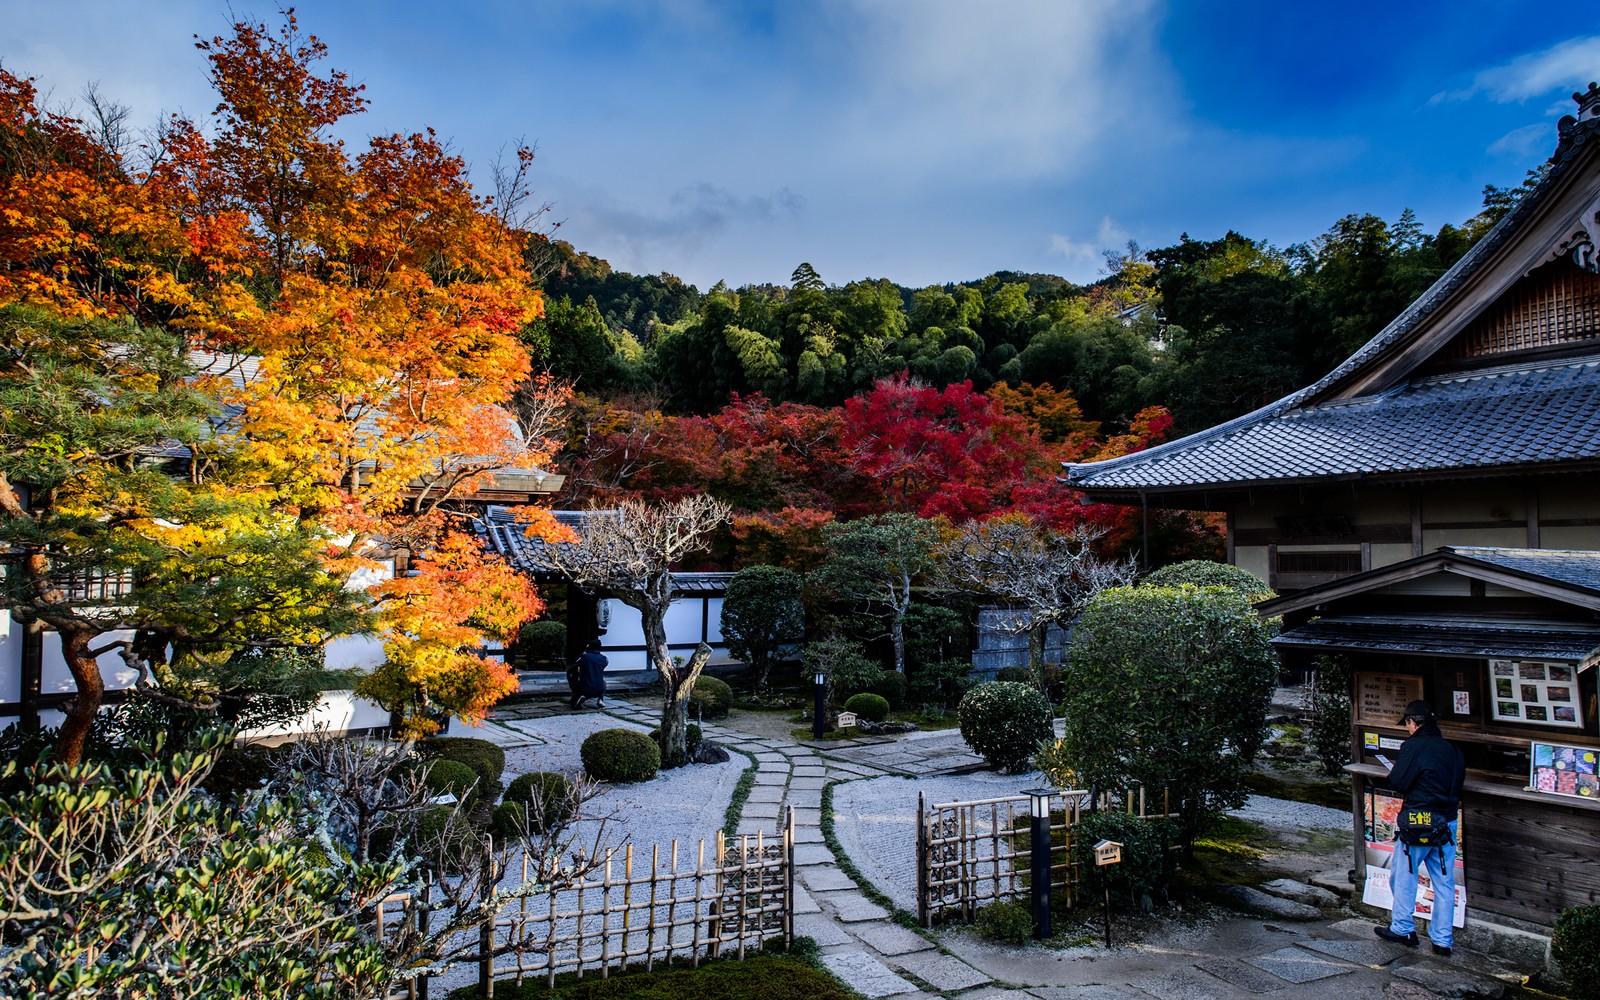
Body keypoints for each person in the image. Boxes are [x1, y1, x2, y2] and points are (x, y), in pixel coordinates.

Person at [1375, 699, 1465, 957]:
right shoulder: (1453, 749)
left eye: (1407, 724)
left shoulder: (1413, 746)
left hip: (1419, 821)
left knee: (1405, 875)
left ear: (1413, 723)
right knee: (1444, 881)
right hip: (1446, 820)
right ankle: (1442, 940)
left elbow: (1399, 782)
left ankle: (1403, 928)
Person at [569, 639, 609, 709]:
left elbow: (573, 663)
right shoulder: (604, 658)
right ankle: (600, 699)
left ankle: (581, 696)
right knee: (604, 682)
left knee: (573, 677)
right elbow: (605, 664)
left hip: (586, 687)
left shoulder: (584, 657)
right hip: (600, 688)